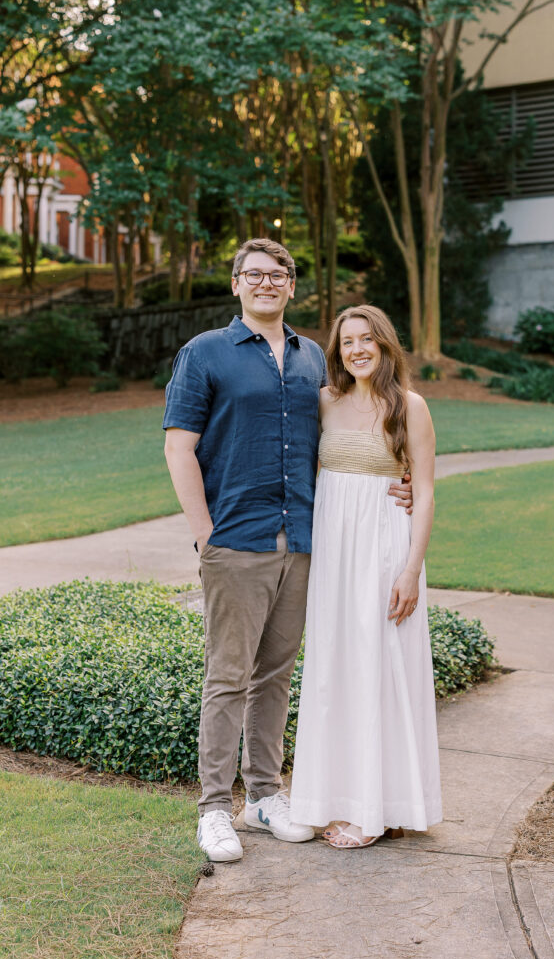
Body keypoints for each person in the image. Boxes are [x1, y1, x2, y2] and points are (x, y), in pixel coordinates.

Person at [163, 239, 413, 863]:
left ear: (293, 286)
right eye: (254, 274)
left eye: (278, 275)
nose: (266, 283)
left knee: (275, 674)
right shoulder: (205, 354)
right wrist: (204, 532)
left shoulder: (313, 363)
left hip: (304, 541)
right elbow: (178, 446)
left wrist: (396, 479)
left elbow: (356, 429)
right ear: (236, 284)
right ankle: (215, 809)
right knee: (228, 676)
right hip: (236, 539)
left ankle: (265, 796)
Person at [289, 305, 442, 848]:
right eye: (346, 341)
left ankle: (382, 808)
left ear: (384, 345)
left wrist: (411, 569)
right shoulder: (325, 401)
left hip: (384, 548)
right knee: (337, 668)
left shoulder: (410, 407)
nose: (356, 349)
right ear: (337, 350)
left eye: (366, 340)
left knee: (383, 666)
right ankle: (331, 798)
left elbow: (421, 491)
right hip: (334, 552)